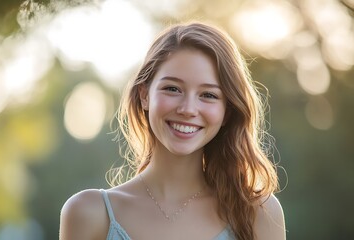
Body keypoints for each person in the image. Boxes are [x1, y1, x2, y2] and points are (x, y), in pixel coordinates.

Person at [59, 22, 286, 240]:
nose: (188, 109)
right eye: (172, 89)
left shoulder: (258, 214)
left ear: (226, 111)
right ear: (144, 95)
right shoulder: (88, 214)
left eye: (208, 95)